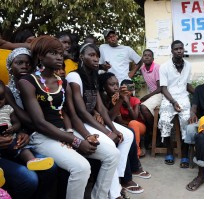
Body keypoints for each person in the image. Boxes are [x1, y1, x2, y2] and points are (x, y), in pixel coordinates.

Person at [18, 36, 120, 199]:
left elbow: (71, 114)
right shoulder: (28, 82)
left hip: (65, 131)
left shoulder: (62, 82)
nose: (59, 56)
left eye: (60, 53)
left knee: (112, 154)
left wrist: (85, 135)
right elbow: (39, 123)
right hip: (42, 136)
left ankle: (99, 197)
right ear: (40, 57)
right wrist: (76, 141)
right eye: (53, 53)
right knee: (81, 167)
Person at [66, 43, 143, 198]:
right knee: (110, 146)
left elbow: (100, 108)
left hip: (91, 120)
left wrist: (113, 130)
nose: (96, 59)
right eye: (91, 55)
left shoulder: (94, 76)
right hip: (79, 123)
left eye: (97, 56)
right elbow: (80, 110)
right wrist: (107, 132)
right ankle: (112, 193)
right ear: (81, 56)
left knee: (127, 135)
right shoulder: (74, 76)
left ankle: (120, 178)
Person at [2, 47, 57, 199]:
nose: (24, 66)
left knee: (51, 167)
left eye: (28, 63)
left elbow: (43, 118)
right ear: (10, 67)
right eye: (19, 62)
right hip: (10, 141)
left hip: (31, 137)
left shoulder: (39, 88)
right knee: (29, 178)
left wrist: (24, 131)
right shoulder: (3, 91)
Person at [98, 72, 152, 195]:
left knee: (130, 131)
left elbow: (117, 119)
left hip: (114, 124)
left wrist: (121, 102)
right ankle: (125, 178)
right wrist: (119, 101)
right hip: (100, 126)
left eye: (117, 84)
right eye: (112, 85)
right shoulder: (101, 97)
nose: (116, 87)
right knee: (124, 135)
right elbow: (109, 118)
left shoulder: (116, 97)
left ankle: (135, 168)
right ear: (103, 87)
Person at [0, 80, 54, 171]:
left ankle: (32, 161)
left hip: (11, 139)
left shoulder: (8, 108)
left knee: (22, 148)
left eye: (1, 98)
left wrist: (13, 128)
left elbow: (17, 123)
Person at [158, 40, 194, 165]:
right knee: (164, 121)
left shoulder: (188, 65)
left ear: (183, 49)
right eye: (176, 49)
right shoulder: (164, 66)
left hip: (184, 98)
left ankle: (184, 154)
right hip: (169, 98)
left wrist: (199, 95)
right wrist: (173, 101)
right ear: (172, 51)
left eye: (181, 48)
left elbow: (187, 85)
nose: (179, 51)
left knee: (187, 123)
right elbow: (163, 88)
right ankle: (169, 152)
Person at [119, 79, 147, 158]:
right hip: (124, 126)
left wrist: (128, 103)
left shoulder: (135, 100)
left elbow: (134, 117)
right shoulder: (117, 100)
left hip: (139, 126)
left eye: (128, 90)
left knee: (133, 123)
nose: (126, 93)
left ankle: (136, 153)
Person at [139, 49, 162, 135]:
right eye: (145, 55)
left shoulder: (157, 68)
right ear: (142, 58)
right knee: (138, 106)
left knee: (144, 108)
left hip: (161, 93)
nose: (147, 57)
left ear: (153, 59)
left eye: (149, 55)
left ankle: (157, 132)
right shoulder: (143, 69)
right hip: (153, 94)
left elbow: (160, 88)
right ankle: (149, 131)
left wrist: (147, 96)